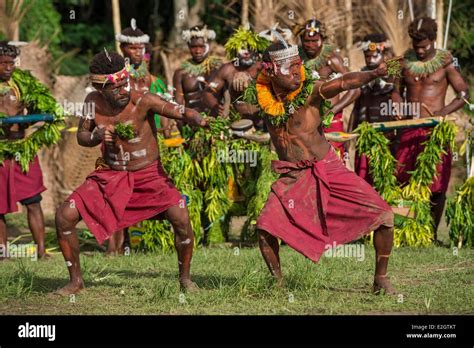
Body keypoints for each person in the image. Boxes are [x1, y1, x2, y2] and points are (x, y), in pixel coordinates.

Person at [245, 38, 396, 294]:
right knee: (265, 228)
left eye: (297, 65)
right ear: (269, 70)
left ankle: (381, 278)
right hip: (291, 175)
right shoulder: (261, 97)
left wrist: (373, 73)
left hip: (327, 168)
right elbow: (238, 104)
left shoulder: (311, 91)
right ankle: (278, 284)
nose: (296, 72)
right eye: (288, 67)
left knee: (384, 216)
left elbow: (344, 82)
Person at [54, 51, 206, 295]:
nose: (123, 90)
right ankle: (75, 282)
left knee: (180, 216)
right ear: (99, 87)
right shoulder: (92, 101)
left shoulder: (143, 100)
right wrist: (95, 135)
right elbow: (82, 136)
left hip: (149, 175)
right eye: (116, 87)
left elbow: (179, 111)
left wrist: (198, 119)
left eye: (125, 83)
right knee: (64, 216)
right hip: (110, 175)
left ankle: (185, 279)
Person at [394, 17, 469, 238]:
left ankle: (432, 234)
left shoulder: (447, 62)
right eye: (416, 47)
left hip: (436, 131)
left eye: (424, 47)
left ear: (434, 40)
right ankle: (405, 232)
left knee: (436, 185)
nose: (420, 51)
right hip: (410, 129)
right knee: (402, 179)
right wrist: (397, 103)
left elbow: (463, 94)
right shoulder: (404, 62)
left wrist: (442, 113)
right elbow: (395, 89)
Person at [0, 41, 48, 260]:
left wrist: (26, 123)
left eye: (11, 63)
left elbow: (42, 108)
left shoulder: (24, 85)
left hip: (22, 150)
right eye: (3, 63)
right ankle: (3, 252)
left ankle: (41, 250)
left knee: (33, 201)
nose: (8, 67)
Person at [293, 19, 359, 156]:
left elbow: (355, 89)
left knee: (333, 160)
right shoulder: (298, 60)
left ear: (322, 40)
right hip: (307, 122)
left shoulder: (332, 60)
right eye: (306, 41)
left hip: (331, 122)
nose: (310, 45)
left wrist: (333, 110)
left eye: (314, 41)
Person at [349, 33, 398, 184]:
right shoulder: (362, 74)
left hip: (387, 135)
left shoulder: (394, 73)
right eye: (367, 56)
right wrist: (349, 134)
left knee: (386, 180)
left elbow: (398, 99)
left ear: (383, 54)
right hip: (365, 135)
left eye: (374, 56)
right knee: (364, 180)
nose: (370, 59)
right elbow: (356, 107)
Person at [203, 25, 268, 125]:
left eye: (250, 48)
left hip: (264, 123)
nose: (246, 52)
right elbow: (208, 92)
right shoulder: (227, 69)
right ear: (235, 51)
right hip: (237, 124)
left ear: (257, 49)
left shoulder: (264, 68)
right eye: (242, 48)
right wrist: (216, 106)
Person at [173, 25, 222, 117]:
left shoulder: (218, 69)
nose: (198, 51)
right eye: (193, 47)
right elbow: (178, 106)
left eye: (201, 46)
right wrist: (183, 126)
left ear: (208, 46)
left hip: (217, 122)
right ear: (188, 46)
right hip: (192, 122)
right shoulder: (181, 73)